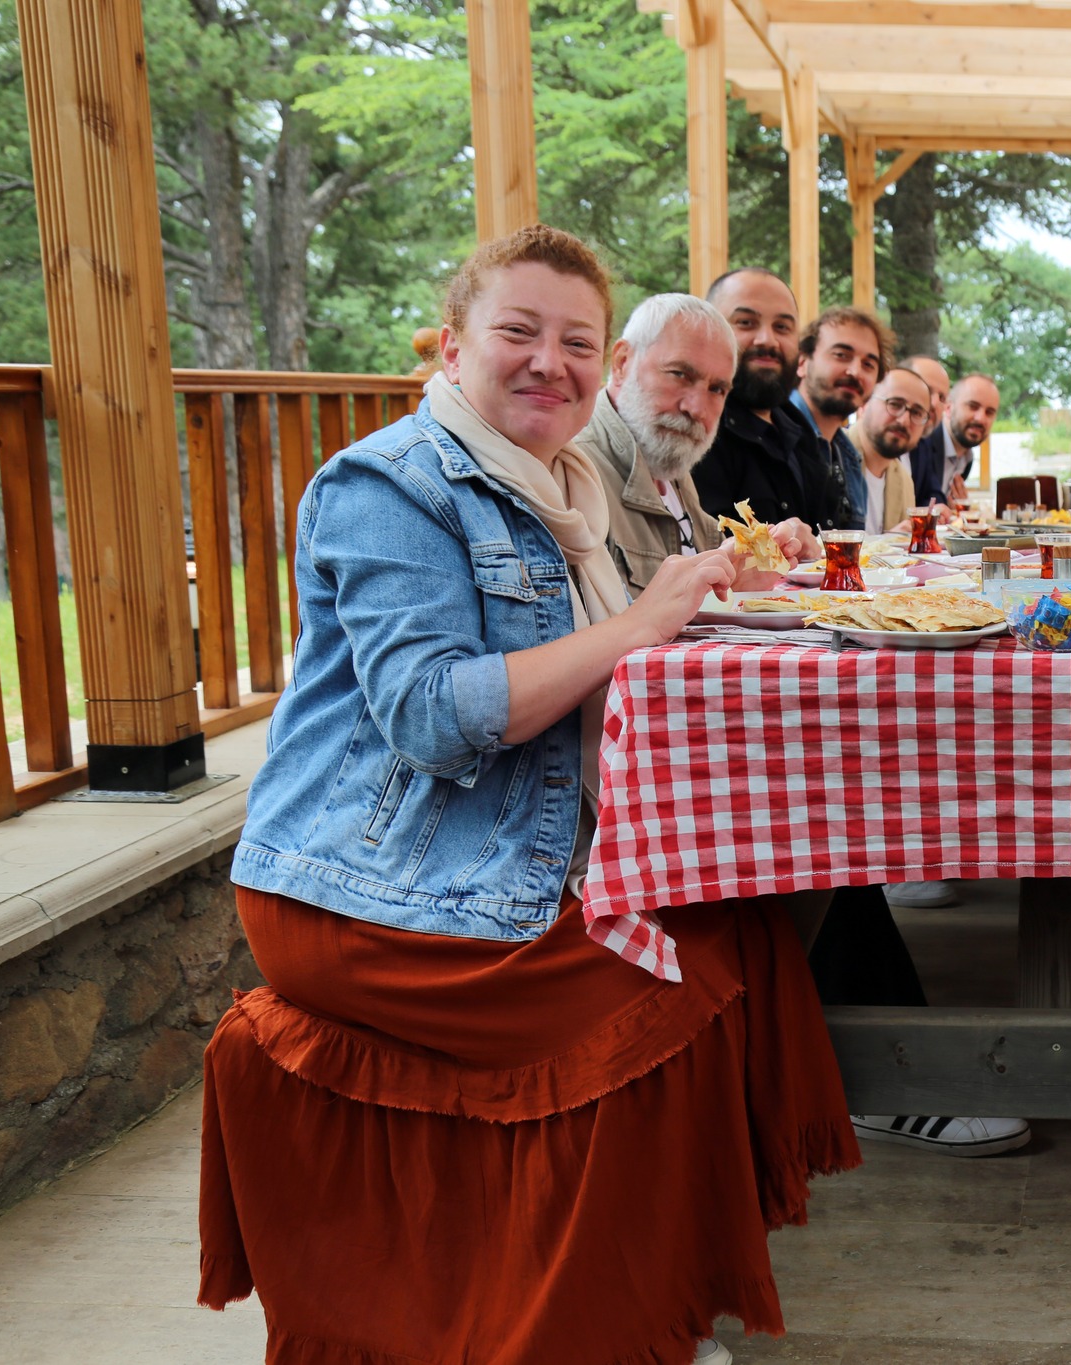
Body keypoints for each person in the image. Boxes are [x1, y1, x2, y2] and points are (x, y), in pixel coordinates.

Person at [198, 225, 854, 1365]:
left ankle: (666, 1288)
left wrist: (696, 594)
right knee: (679, 988)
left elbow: (595, 658)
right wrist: (645, 618)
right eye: (518, 332)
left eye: (575, 343)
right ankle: (581, 1331)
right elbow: (431, 715)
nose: (549, 362)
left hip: (490, 855)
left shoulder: (567, 490)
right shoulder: (383, 484)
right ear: (454, 347)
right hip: (370, 889)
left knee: (748, 926)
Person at [576, 291, 823, 590]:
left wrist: (738, 578)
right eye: (679, 374)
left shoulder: (670, 467)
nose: (696, 408)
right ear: (622, 362)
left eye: (717, 389)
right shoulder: (575, 473)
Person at [695, 267, 845, 531]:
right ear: (709, 329)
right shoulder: (697, 429)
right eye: (745, 322)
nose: (768, 340)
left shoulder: (801, 433)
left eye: (782, 327)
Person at [793, 307, 894, 529]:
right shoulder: (770, 434)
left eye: (868, 364)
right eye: (841, 355)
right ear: (802, 363)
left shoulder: (848, 457)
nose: (855, 371)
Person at [849, 366, 928, 533]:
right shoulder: (829, 457)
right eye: (894, 404)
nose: (904, 420)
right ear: (864, 404)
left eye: (917, 412)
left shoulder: (903, 479)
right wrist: (885, 541)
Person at [911, 372, 999, 507]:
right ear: (948, 407)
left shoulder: (967, 459)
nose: (981, 418)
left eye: (989, 412)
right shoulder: (922, 442)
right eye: (973, 406)